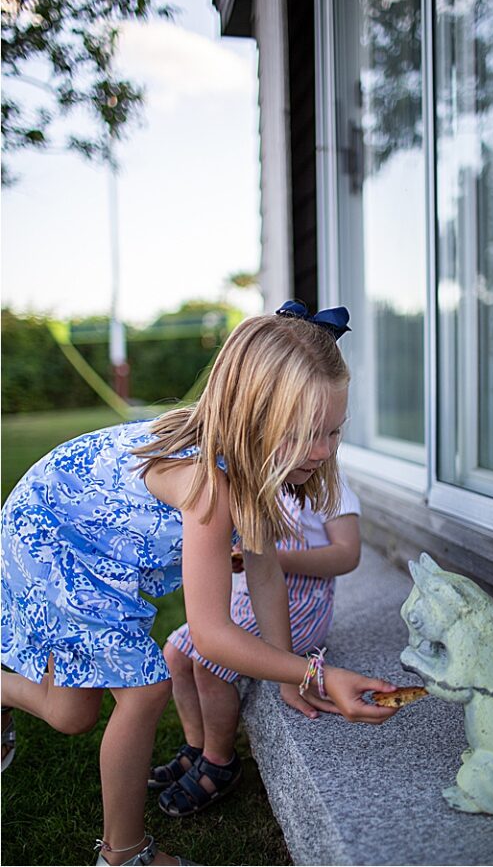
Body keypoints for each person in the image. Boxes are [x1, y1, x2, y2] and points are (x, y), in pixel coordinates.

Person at [0, 302, 400, 866]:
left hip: (86, 538)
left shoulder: (254, 462)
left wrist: (289, 674)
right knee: (145, 689)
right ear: (253, 418)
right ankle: (124, 854)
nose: (325, 450)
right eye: (308, 434)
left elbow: (263, 569)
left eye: (335, 431)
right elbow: (211, 634)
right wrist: (318, 673)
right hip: (53, 536)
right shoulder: (208, 483)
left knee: (72, 714)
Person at [148, 479, 364, 816]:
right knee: (175, 654)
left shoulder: (328, 485)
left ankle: (219, 762)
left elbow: (347, 554)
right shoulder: (252, 480)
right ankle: (196, 746)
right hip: (248, 599)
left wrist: (278, 558)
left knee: (210, 663)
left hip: (302, 605)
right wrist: (238, 556)